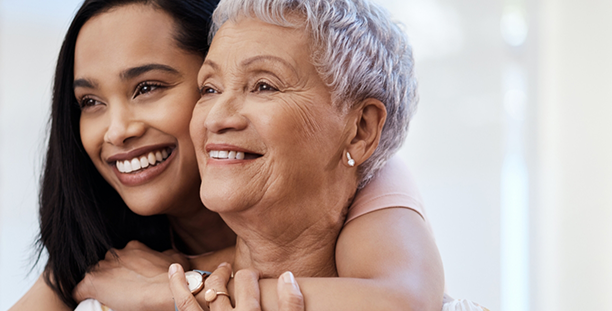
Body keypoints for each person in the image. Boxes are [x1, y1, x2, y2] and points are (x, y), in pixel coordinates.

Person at [9, 0, 452, 310]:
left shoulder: (370, 174)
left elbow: (403, 300)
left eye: (149, 88)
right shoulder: (102, 247)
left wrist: (184, 290)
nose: (118, 130)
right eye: (89, 102)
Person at [164, 0, 483, 310]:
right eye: (209, 89)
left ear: (361, 129)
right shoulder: (130, 298)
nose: (215, 118)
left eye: (264, 86)